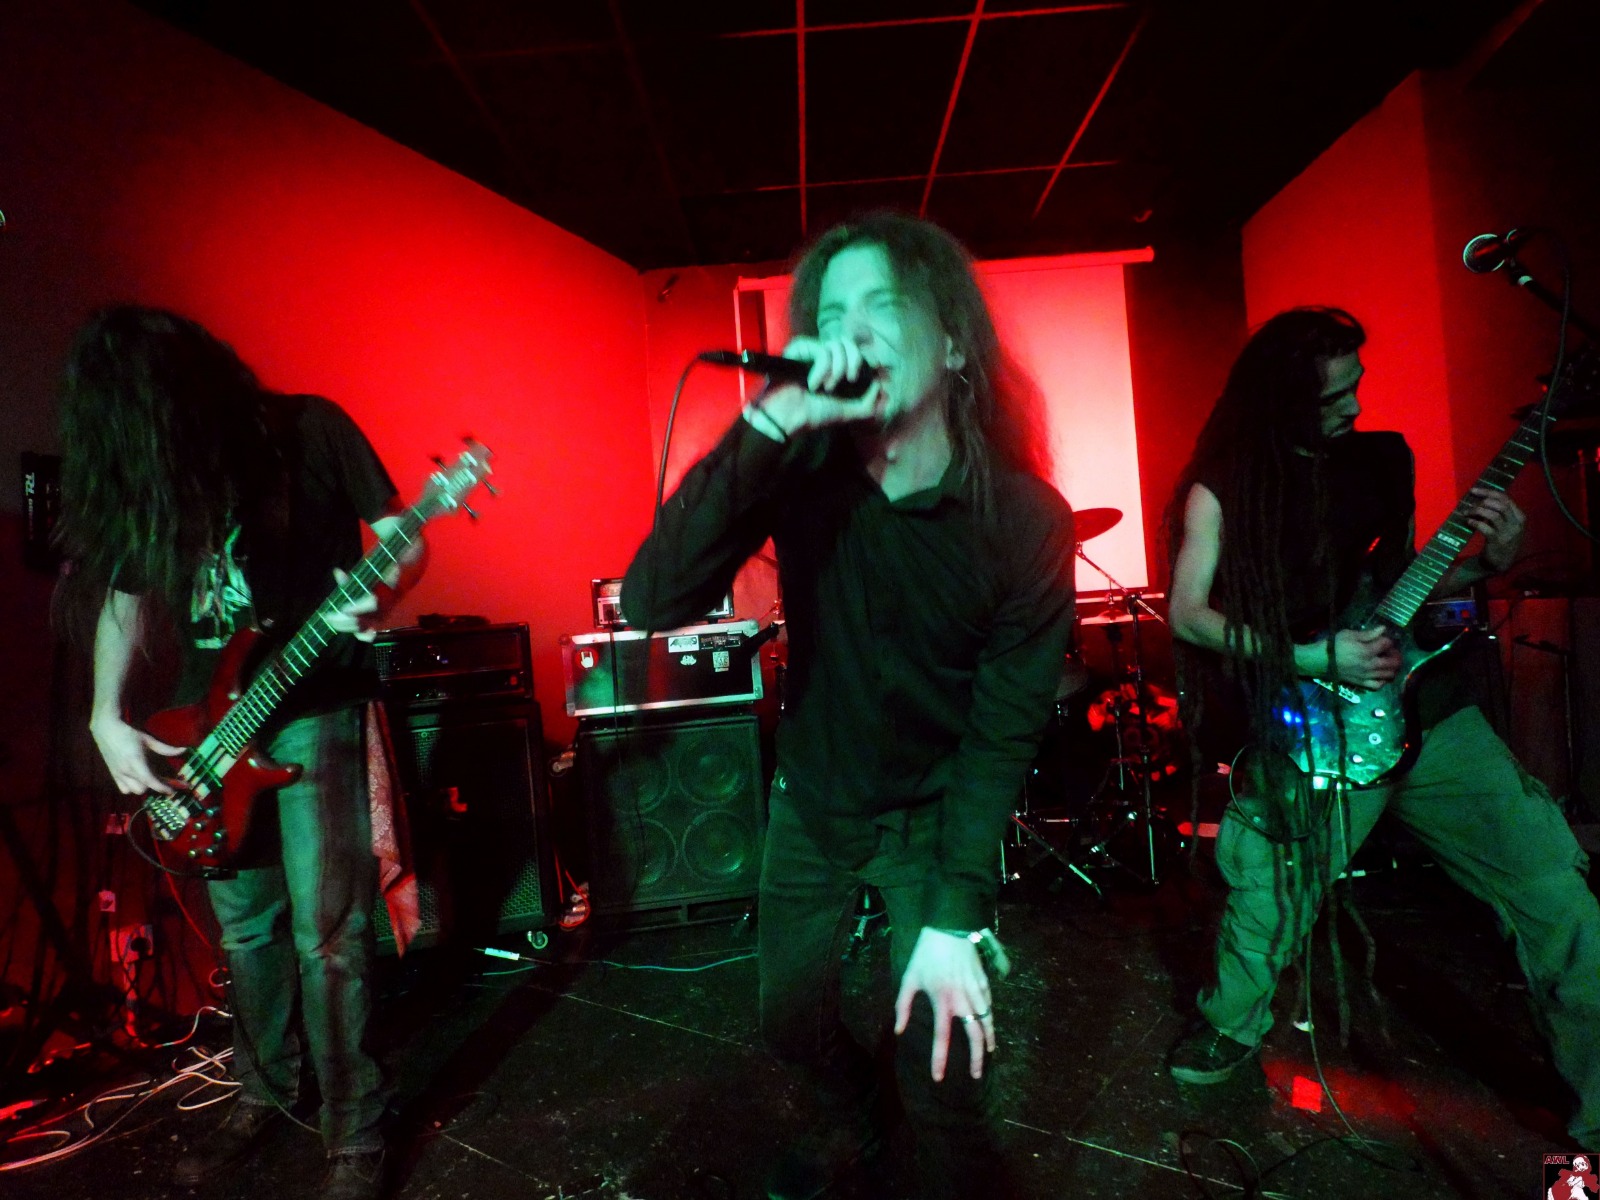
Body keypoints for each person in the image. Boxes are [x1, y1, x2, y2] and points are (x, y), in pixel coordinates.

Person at [622, 212, 1075, 1200]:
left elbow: (1003, 730)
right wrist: (774, 418)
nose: (851, 332)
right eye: (830, 315)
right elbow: (654, 600)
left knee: (945, 1073)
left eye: (882, 305)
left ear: (951, 342)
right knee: (789, 1025)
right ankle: (868, 1119)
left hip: (934, 817)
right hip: (815, 803)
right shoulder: (803, 479)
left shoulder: (1023, 520)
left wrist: (955, 917)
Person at [1163, 306, 1600, 1148]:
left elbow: (1397, 586)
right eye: (1335, 396)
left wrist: (1488, 563)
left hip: (1427, 708)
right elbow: (1188, 612)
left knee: (1557, 893)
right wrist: (1310, 654)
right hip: (1315, 716)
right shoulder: (1225, 485)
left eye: (1357, 386)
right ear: (1283, 399)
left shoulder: (1382, 459)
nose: (1356, 406)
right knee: (1273, 893)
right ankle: (1232, 1023)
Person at [55, 306, 426, 1200]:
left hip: (313, 707)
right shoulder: (160, 473)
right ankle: (263, 1092)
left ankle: (355, 1130)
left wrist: (381, 595)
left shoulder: (311, 430)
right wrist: (105, 711)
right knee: (249, 930)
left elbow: (404, 535)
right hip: (206, 732)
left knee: (328, 934)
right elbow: (123, 592)